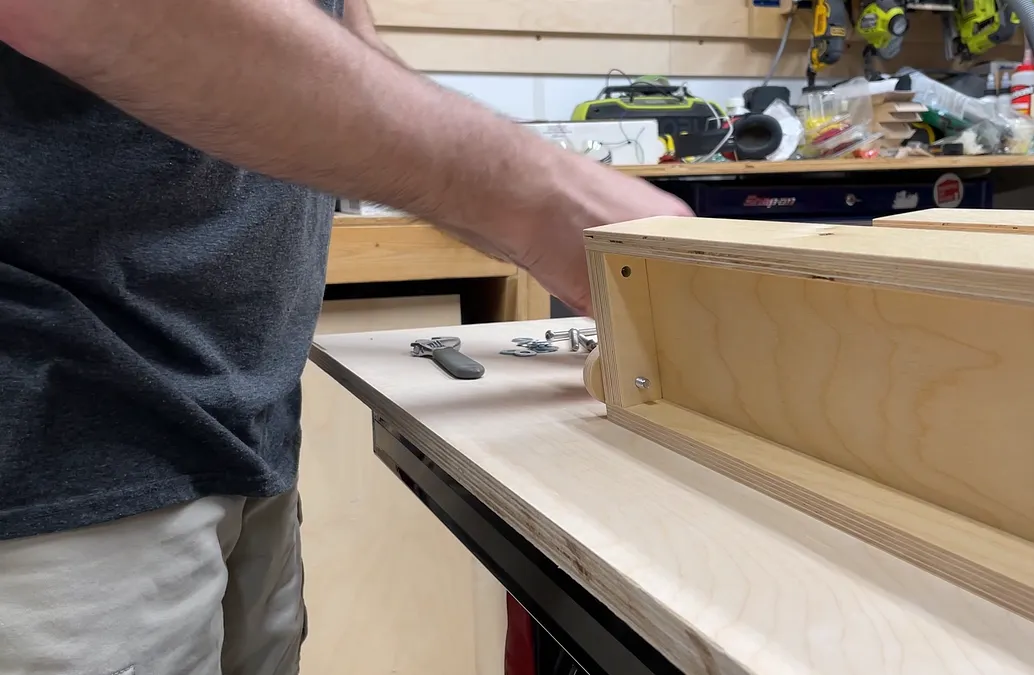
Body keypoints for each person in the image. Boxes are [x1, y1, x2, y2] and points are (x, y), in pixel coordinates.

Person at [0, 1, 693, 673]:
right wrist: (540, 199)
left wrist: (525, 224)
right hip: (62, 432)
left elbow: (350, 52)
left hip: (246, 410)